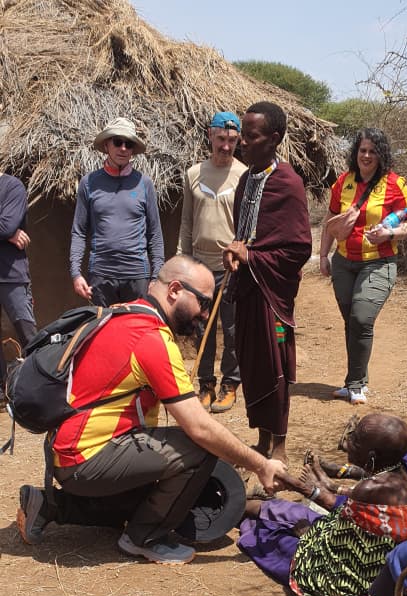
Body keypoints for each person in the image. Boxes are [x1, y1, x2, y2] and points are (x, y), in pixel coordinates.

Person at [16, 255, 287, 565]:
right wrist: (260, 464)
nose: (206, 313)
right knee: (198, 449)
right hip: (87, 458)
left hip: (72, 452)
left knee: (157, 493)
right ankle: (143, 538)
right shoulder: (150, 339)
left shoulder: (123, 313)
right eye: (203, 302)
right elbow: (198, 427)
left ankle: (48, 505)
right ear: (174, 290)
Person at [239, 413, 407, 596]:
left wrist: (308, 527)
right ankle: (242, 503)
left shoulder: (370, 489)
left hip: (354, 573)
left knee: (274, 539)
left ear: (372, 456)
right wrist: (320, 486)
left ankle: (233, 506)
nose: (347, 442)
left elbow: (337, 523)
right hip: (375, 557)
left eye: (355, 440)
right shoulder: (401, 470)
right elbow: (352, 510)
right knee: (286, 511)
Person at [223, 101, 312, 464]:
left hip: (272, 297)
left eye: (251, 135)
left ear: (274, 139)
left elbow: (297, 247)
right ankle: (261, 438)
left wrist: (252, 257)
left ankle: (279, 444)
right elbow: (244, 235)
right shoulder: (246, 180)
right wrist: (235, 253)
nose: (243, 142)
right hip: (247, 290)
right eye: (242, 134)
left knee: (275, 362)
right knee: (253, 362)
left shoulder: (288, 183)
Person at [319, 127, 407, 404]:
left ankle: (357, 384)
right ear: (355, 153)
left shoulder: (396, 184)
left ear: (381, 154)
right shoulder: (343, 183)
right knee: (351, 322)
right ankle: (353, 382)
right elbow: (331, 220)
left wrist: (390, 233)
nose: (367, 155)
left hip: (378, 263)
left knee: (361, 318)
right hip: (343, 262)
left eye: (373, 151)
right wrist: (323, 255)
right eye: (362, 150)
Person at [177, 111, 246, 413]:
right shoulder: (193, 174)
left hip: (232, 267)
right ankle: (206, 383)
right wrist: (183, 259)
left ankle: (230, 383)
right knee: (201, 328)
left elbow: (246, 225)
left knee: (232, 329)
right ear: (210, 135)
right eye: (221, 139)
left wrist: (241, 254)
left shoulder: (244, 175)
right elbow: (187, 222)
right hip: (199, 266)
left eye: (232, 140)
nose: (226, 146)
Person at [70, 116, 164, 307]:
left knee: (137, 332)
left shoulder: (144, 184)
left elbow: (155, 234)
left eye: (128, 144)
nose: (123, 148)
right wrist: (75, 273)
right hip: (101, 275)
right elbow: (79, 231)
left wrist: (156, 277)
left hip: (138, 276)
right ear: (106, 145)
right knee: (102, 333)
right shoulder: (89, 183)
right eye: (117, 142)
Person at [0, 172, 36, 397]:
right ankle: (2, 390)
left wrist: (8, 231)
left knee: (28, 332)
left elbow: (7, 225)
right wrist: (6, 233)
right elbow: (4, 228)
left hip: (11, 275)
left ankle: (39, 383)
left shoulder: (12, 187)